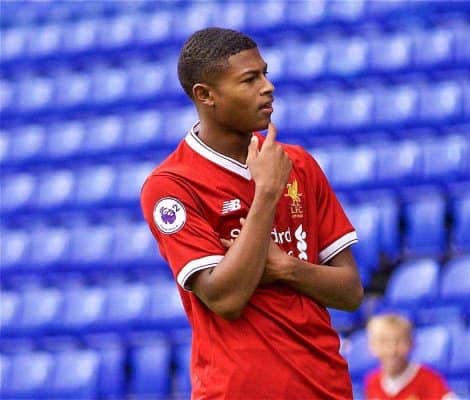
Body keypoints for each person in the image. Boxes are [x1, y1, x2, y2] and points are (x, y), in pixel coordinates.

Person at [140, 27, 364, 399]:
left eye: (265, 73)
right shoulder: (171, 187)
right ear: (205, 95)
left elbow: (351, 291)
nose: (268, 86)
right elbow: (224, 299)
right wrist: (266, 195)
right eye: (250, 79)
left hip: (325, 387)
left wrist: (287, 268)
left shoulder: (300, 164)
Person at [364, 314, 455, 400]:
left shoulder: (429, 379)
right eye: (383, 342)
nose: (392, 350)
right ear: (372, 346)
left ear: (411, 343)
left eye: (399, 341)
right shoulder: (372, 381)